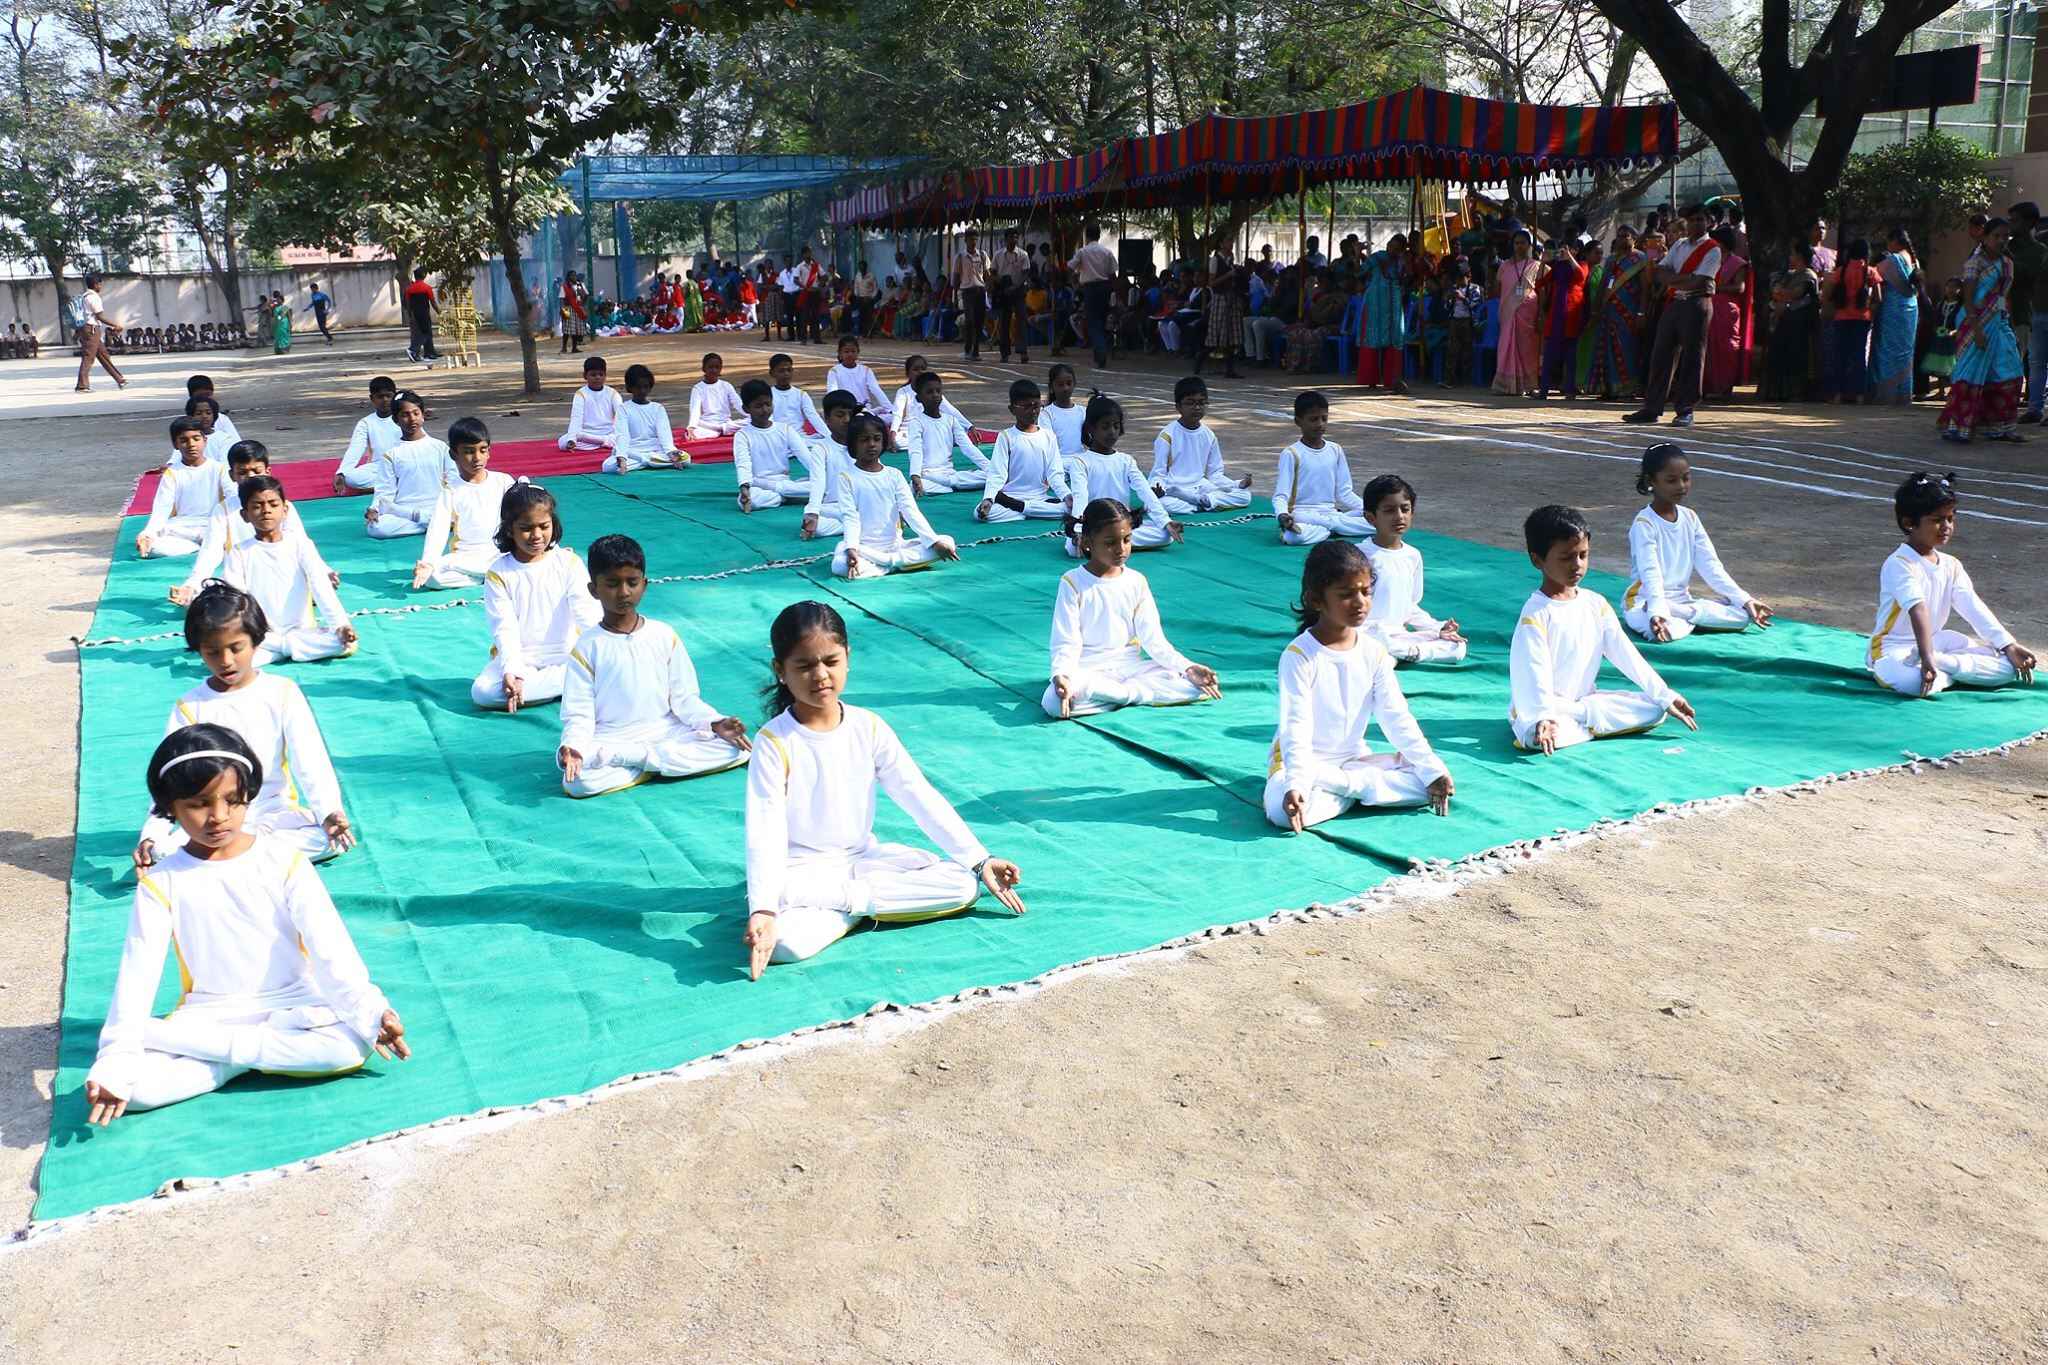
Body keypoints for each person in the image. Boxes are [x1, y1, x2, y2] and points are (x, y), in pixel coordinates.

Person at [87, 723, 405, 1127]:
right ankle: (234, 1055)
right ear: (170, 808)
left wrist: (370, 1010)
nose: (219, 817)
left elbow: (333, 951)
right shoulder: (160, 883)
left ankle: (204, 1053)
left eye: (233, 801)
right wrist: (115, 1060)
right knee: (134, 1091)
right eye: (200, 804)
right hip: (211, 1015)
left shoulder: (285, 861)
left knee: (351, 1046)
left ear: (248, 797)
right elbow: (137, 977)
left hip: (295, 1006)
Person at [742, 601, 1026, 978]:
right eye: (805, 666)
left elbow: (918, 795)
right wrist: (763, 907)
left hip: (861, 863)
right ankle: (858, 904)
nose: (820, 675)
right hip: (801, 873)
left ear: (848, 658)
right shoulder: (774, 741)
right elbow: (765, 830)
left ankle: (847, 909)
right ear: (781, 670)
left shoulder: (868, 727)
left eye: (830, 661)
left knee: (963, 885)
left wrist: (979, 859)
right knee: (785, 944)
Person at [135, 585, 354, 870]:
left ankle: (230, 855)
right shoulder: (189, 706)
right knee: (162, 852)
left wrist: (328, 813)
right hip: (214, 818)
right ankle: (245, 853)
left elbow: (311, 762)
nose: (225, 661)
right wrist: (152, 836)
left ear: (256, 641)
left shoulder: (282, 692)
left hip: (274, 813)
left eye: (235, 648)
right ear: (199, 650)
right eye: (212, 652)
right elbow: (171, 780)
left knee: (328, 839)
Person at [1266, 540, 1452, 832]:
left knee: (1429, 783)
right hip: (1305, 763)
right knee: (1282, 813)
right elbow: (1295, 727)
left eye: (1366, 592)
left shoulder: (1373, 650)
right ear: (1316, 599)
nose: (1360, 602)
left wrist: (1431, 769)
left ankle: (1349, 787)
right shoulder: (1299, 656)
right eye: (1346, 594)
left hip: (1354, 760)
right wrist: (1297, 783)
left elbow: (1396, 716)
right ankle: (1360, 789)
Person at [555, 534, 752, 798]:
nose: (624, 592)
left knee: (739, 748)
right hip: (614, 739)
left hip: (667, 733)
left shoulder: (663, 635)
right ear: (593, 590)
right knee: (579, 783)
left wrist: (714, 723)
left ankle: (642, 763)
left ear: (644, 585)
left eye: (632, 583)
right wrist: (574, 747)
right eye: (612, 584)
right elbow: (578, 714)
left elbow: (685, 699)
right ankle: (657, 764)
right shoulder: (587, 646)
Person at [1509, 504, 1696, 754]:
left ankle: (1583, 723)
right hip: (1543, 707)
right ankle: (1563, 726)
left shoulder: (1595, 603)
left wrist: (1664, 694)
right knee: (1535, 735)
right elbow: (1532, 673)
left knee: (1656, 708)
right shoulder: (1536, 614)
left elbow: (1625, 654)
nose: (1577, 565)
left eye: (1583, 555)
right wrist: (1542, 716)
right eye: (1566, 558)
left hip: (1584, 704)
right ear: (1537, 559)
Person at [1046, 498, 1216, 719]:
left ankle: (1121, 695)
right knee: (1053, 702)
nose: (1121, 549)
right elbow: (1065, 642)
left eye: (1126, 539)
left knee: (1192, 684)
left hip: (1131, 668)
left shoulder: (1136, 581)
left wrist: (1188, 667)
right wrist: (1063, 675)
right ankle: (1133, 694)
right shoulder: (1072, 583)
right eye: (1110, 542)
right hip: (1088, 670)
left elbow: (1154, 640)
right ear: (1087, 542)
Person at [1869, 471, 2035, 696]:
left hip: (1936, 643)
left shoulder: (1951, 565)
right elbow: (1918, 610)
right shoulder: (1899, 563)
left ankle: (1943, 665)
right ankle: (1947, 668)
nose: (1946, 526)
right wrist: (1926, 657)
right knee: (1915, 685)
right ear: (1909, 523)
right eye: (1937, 520)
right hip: (1892, 651)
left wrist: (2008, 645)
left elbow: (1972, 607)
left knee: (2009, 667)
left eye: (1950, 518)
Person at [180, 477, 356, 666]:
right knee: (233, 658)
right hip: (262, 635)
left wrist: (339, 625)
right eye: (257, 506)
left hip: (302, 631)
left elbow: (321, 587)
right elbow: (236, 598)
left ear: (285, 509)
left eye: (273, 504)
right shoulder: (239, 552)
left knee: (342, 643)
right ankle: (285, 649)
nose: (266, 511)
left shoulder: (301, 544)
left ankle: (280, 650)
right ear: (245, 515)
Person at [1621, 443, 1771, 643]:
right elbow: (1651, 572)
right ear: (1651, 481)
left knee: (1743, 617)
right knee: (1660, 632)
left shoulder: (1690, 518)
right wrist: (1657, 611)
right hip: (1644, 601)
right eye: (1672, 480)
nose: (1682, 486)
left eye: (1686, 478)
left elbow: (1711, 566)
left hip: (1682, 602)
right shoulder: (1644, 524)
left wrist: (1744, 599)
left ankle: (1683, 613)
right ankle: (1682, 615)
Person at [473, 484, 601, 711]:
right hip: (523, 659)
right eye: (526, 528)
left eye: (544, 526)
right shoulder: (498, 573)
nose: (537, 536)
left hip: (567, 655)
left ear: (554, 524)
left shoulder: (568, 563)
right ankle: (576, 684)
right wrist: (513, 671)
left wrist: (605, 653)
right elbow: (505, 628)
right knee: (482, 693)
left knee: (601, 665)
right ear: (509, 529)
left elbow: (588, 616)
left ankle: (570, 681)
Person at [825, 414, 960, 579]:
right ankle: (895, 564)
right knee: (839, 564)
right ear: (853, 445)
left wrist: (933, 541)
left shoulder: (894, 475)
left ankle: (886, 564)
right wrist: (852, 548)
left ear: (883, 442)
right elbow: (850, 517)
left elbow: (910, 511)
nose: (872, 444)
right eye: (864, 440)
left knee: (947, 542)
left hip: (896, 547)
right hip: (864, 549)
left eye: (877, 439)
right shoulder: (847, 477)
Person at [1626, 205, 1721, 429]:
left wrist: (1674, 278)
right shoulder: (1679, 245)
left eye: (1701, 219)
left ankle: (1686, 410)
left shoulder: (1712, 249)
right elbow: (1660, 273)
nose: (1696, 223)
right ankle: (1652, 407)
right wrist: (1682, 278)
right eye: (1693, 219)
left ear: (1708, 222)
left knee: (1693, 358)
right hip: (1675, 302)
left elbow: (1700, 281)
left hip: (1697, 303)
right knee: (1661, 355)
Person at [1358, 474, 1467, 665]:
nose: (1399, 516)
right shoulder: (1359, 556)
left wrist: (1438, 628)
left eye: (1405, 509)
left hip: (1398, 637)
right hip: (1366, 632)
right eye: (1389, 510)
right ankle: (1395, 653)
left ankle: (1412, 653)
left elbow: (1409, 606)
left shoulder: (1412, 556)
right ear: (1371, 517)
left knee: (1457, 648)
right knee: (1376, 651)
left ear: (1412, 512)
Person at [1939, 218, 2026, 443]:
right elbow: (1968, 300)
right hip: (1974, 323)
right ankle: (1958, 426)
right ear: (1985, 237)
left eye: (2005, 236)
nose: (2001, 240)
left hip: (1998, 323)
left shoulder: (2007, 263)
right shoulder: (1975, 263)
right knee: (1968, 373)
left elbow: (2003, 299)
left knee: (2011, 370)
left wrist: (2008, 325)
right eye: (1996, 236)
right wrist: (1977, 329)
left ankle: (2001, 427)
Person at [1061, 393, 1177, 556]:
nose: (1112, 432)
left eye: (1116, 426)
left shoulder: (1126, 460)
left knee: (1165, 535)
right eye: (1105, 426)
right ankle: (1115, 542)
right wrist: (1079, 530)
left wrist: (1165, 521)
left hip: (1121, 524)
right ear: (1090, 428)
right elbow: (1080, 496)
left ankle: (1106, 544)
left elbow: (1145, 491)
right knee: (1073, 549)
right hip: (1094, 525)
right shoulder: (1080, 462)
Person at [412, 418, 517, 589]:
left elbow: (527, 515)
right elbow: (438, 528)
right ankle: (493, 576)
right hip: (465, 558)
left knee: (525, 559)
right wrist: (428, 563)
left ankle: (491, 574)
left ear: (489, 452)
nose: (477, 458)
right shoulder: (451, 490)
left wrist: (551, 548)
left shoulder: (503, 482)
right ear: (454, 454)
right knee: (433, 577)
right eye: (469, 451)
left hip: (500, 552)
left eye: (483, 450)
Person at [1273, 390, 1369, 547]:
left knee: (1376, 522)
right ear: (1298, 421)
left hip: (1330, 513)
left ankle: (1327, 529)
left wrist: (1368, 510)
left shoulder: (1335, 450)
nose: (1320, 424)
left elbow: (1345, 493)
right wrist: (1282, 515)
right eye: (1313, 419)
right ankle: (1335, 527)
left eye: (1324, 418)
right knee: (1295, 538)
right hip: (1303, 515)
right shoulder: (1291, 453)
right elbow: (1281, 496)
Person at [975, 379, 1072, 524]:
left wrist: (1066, 495)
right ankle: (1033, 512)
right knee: (980, 513)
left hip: (1038, 498)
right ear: (1012, 409)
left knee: (1069, 508)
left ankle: (1022, 510)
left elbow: (1055, 474)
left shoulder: (1048, 436)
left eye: (1036, 406)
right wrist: (989, 498)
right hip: (1011, 496)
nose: (1033, 411)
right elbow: (997, 473)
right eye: (1026, 406)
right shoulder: (1006, 437)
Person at [1150, 375, 1252, 513]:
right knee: (1160, 504)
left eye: (1201, 403)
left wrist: (1237, 484)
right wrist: (1158, 489)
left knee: (1245, 496)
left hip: (1200, 487)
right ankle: (1203, 503)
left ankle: (1199, 503)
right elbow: (1159, 473)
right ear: (1178, 407)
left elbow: (1215, 474)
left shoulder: (1208, 435)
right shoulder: (1167, 436)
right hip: (1173, 489)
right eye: (1190, 403)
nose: (1197, 408)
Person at [138, 418, 232, 559]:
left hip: (211, 525)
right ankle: (201, 546)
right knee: (153, 548)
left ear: (205, 440)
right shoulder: (172, 473)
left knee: (230, 537)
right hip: (180, 529)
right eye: (184, 440)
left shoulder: (220, 469)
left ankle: (206, 544)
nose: (191, 444)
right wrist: (147, 534)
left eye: (196, 438)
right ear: (175, 445)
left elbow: (233, 499)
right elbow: (161, 509)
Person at [364, 392, 450, 540]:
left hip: (436, 506)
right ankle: (434, 523)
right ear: (395, 420)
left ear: (423, 415)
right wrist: (375, 508)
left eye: (416, 413)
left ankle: (430, 520)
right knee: (376, 528)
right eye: (405, 415)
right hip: (405, 510)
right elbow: (384, 491)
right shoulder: (391, 454)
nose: (412, 419)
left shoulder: (440, 447)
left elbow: (454, 481)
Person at [731, 378, 816, 511]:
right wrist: (745, 487)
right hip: (759, 485)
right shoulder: (742, 435)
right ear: (746, 408)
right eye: (758, 406)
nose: (765, 410)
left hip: (785, 483)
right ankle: (786, 496)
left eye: (768, 404)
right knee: (749, 501)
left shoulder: (785, 429)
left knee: (822, 484)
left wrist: (822, 476)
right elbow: (743, 464)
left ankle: (784, 494)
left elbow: (806, 457)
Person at [904, 372, 990, 495]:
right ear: (919, 398)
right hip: (929, 474)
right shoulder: (916, 422)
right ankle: (925, 485)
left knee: (983, 476)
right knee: (947, 482)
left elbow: (968, 448)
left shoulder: (951, 420)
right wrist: (915, 475)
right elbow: (915, 451)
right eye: (929, 392)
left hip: (950, 474)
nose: (935, 395)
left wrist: (991, 469)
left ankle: (942, 487)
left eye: (938, 391)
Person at [1820, 237, 1879, 405]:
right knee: (1860, 357)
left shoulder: (1841, 271)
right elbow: (1878, 297)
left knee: (1840, 356)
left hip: (1842, 317)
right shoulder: (1870, 271)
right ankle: (1859, 395)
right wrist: (1871, 313)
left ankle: (1838, 394)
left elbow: (1828, 294)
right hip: (1862, 318)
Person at [1761, 243, 1821, 403]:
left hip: (1798, 322)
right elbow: (1776, 293)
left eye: (1793, 254)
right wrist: (1779, 293)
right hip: (1783, 322)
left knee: (1797, 357)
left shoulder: (1808, 275)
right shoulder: (1787, 274)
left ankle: (1796, 392)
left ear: (1800, 256)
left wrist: (1781, 294)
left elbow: (1795, 294)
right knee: (1778, 357)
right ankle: (1777, 391)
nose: (1790, 257)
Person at [1870, 227, 1921, 406]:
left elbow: (1875, 274)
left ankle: (1885, 395)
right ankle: (1902, 393)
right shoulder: (1914, 260)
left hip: (1893, 309)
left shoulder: (1893, 259)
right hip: (1911, 308)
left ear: (1895, 241)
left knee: (1887, 350)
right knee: (1905, 353)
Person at [604, 363, 684, 474]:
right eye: (638, 387)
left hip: (654, 451)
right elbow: (622, 436)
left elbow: (664, 435)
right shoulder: (623, 409)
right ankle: (649, 462)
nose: (642, 391)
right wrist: (622, 456)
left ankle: (645, 462)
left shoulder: (658, 408)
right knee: (608, 466)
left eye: (645, 387)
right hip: (632, 452)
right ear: (630, 388)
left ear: (650, 386)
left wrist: (671, 452)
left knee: (686, 458)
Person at [1491, 232, 1542, 396]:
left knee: (1527, 348)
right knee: (1507, 345)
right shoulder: (1504, 266)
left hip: (1528, 315)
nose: (1519, 246)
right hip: (1508, 313)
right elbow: (1498, 288)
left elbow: (1545, 289)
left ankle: (1529, 385)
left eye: (1522, 243)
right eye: (1516, 243)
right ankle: (1505, 385)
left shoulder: (1537, 266)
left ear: (1529, 245)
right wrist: (1508, 304)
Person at [1356, 236, 1410, 391]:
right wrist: (1357, 254)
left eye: (1397, 247)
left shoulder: (1402, 262)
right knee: (1374, 338)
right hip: (1375, 303)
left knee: (1395, 337)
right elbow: (1359, 273)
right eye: (1391, 245)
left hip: (1393, 302)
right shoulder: (1377, 257)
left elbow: (1405, 279)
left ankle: (1393, 379)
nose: (1392, 249)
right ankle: (1371, 379)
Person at [1536, 240, 1587, 401]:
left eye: (1569, 249)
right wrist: (1543, 263)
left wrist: (1570, 257)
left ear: (1576, 250)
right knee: (1549, 354)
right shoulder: (1558, 267)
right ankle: (1543, 390)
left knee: (1570, 357)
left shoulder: (1581, 264)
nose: (1565, 252)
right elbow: (1540, 283)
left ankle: (1570, 390)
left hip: (1571, 313)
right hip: (1556, 314)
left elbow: (1580, 276)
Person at [334, 376, 401, 495]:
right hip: (378, 467)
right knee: (351, 478)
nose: (385, 400)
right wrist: (341, 472)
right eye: (380, 397)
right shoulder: (366, 423)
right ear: (372, 398)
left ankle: (386, 485)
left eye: (388, 396)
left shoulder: (404, 416)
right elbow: (355, 448)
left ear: (394, 396)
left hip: (404, 464)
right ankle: (395, 484)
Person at [1069, 222, 1121, 369]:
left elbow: (1070, 267)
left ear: (1087, 235)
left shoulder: (1082, 252)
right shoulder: (1107, 252)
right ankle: (1103, 348)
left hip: (1090, 289)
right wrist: (1115, 292)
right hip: (1105, 288)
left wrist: (1074, 282)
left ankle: (1101, 352)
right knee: (1104, 319)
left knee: (1094, 321)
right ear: (1098, 235)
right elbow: (1112, 275)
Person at [71, 272, 127, 392]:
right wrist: (115, 325)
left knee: (103, 355)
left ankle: (119, 379)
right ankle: (82, 386)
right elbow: (100, 316)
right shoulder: (94, 297)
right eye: (100, 284)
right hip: (91, 329)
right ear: (96, 284)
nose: (101, 287)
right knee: (88, 357)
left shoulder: (84, 296)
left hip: (86, 329)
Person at [558, 354, 621, 452]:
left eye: (601, 374)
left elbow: (621, 415)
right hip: (586, 433)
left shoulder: (612, 393)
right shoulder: (580, 394)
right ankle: (604, 442)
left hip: (608, 433)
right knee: (562, 442)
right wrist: (572, 439)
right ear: (585, 376)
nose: (597, 378)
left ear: (605, 375)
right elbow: (576, 419)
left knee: (622, 437)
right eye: (593, 375)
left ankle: (603, 441)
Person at [825, 335, 892, 423]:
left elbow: (876, 390)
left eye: (853, 351)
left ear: (858, 353)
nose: (850, 354)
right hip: (846, 412)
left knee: (891, 417)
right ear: (840, 354)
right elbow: (832, 393)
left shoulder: (866, 370)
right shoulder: (834, 371)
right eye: (846, 351)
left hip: (865, 410)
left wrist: (890, 408)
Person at [990, 228, 1033, 363]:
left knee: (1021, 320)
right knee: (1004, 322)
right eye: (1011, 237)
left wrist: (1016, 286)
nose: (1013, 240)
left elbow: (1026, 273)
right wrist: (1000, 282)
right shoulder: (998, 255)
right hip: (1004, 291)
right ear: (1006, 239)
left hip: (1018, 290)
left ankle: (1023, 351)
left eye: (1016, 237)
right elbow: (993, 272)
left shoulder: (1023, 254)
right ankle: (1004, 353)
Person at [681, 352, 743, 439]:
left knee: (750, 422)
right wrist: (691, 427)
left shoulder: (726, 385)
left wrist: (751, 415)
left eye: (717, 367)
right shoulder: (698, 388)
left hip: (726, 424)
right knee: (693, 434)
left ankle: (721, 429)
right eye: (710, 367)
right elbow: (695, 409)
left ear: (721, 369)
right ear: (704, 369)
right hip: (707, 425)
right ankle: (720, 430)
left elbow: (738, 404)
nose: (714, 370)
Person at [951, 231, 991, 361]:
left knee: (979, 321)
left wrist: (989, 288)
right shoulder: (960, 257)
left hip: (980, 291)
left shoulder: (983, 255)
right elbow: (956, 277)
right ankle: (968, 348)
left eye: (975, 239)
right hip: (967, 291)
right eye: (971, 239)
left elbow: (987, 273)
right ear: (966, 240)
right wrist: (955, 296)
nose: (973, 242)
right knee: (969, 320)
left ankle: (976, 349)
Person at [405, 268, 440, 363]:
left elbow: (408, 303)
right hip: (424, 313)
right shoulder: (427, 288)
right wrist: (439, 312)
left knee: (419, 333)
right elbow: (433, 302)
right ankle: (413, 349)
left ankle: (429, 353)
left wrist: (409, 314)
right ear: (424, 276)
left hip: (414, 314)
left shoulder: (409, 289)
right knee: (425, 333)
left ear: (415, 277)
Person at [556, 271, 586, 355]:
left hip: (577, 309)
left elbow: (584, 296)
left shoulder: (579, 286)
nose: (574, 277)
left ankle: (574, 347)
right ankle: (564, 347)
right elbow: (561, 299)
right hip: (568, 308)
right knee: (567, 329)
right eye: (572, 276)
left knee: (575, 329)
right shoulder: (564, 287)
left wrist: (582, 302)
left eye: (575, 275)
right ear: (568, 277)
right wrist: (564, 311)